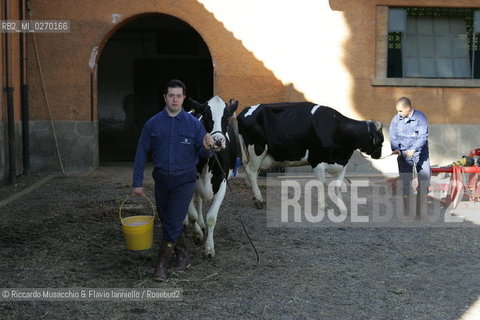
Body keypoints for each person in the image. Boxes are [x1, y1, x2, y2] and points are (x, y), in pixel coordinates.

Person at [132, 79, 213, 281]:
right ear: (165, 97)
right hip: (161, 180)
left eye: (178, 96)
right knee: (169, 221)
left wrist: (208, 146)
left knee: (174, 221)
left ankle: (160, 265)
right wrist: (137, 182)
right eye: (171, 95)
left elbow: (204, 154)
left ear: (184, 98)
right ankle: (183, 257)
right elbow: (141, 153)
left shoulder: (194, 125)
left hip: (184, 181)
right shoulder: (153, 123)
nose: (175, 99)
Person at [390, 97, 431, 218]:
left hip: (421, 153)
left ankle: (421, 212)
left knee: (425, 180)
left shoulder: (420, 117)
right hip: (403, 155)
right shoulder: (396, 119)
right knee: (405, 183)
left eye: (400, 111)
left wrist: (413, 149)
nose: (398, 113)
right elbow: (393, 137)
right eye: (397, 111)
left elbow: (423, 137)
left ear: (408, 108)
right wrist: (395, 148)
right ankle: (407, 212)